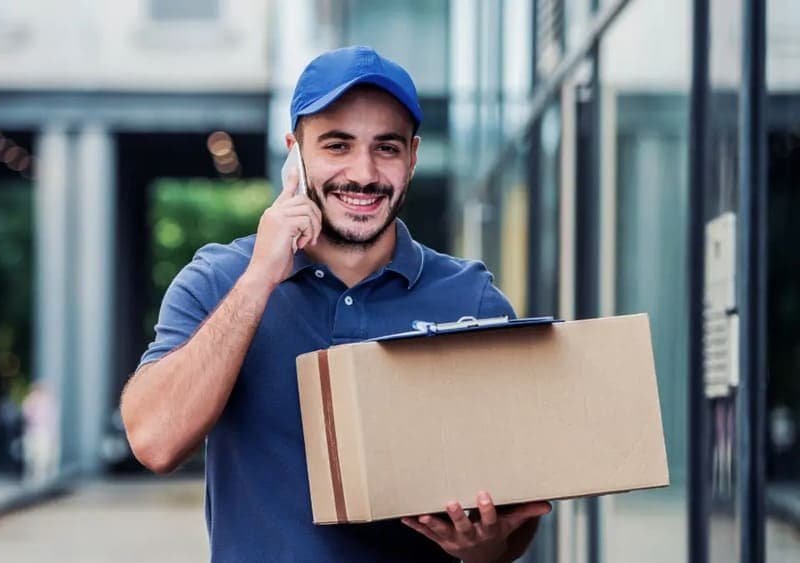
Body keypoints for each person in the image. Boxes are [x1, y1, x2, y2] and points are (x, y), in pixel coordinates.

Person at [121, 46, 550, 562]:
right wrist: (260, 279)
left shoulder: (471, 298)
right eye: (337, 145)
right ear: (295, 154)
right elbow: (155, 442)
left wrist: (484, 546)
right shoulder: (220, 280)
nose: (363, 173)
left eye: (386, 147)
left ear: (412, 157)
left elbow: (512, 529)